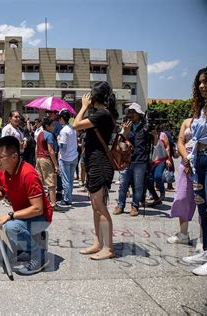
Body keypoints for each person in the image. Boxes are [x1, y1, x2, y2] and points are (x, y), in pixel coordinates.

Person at [0, 136, 53, 275]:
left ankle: (39, 257)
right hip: (23, 217)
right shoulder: (2, 173)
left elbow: (38, 208)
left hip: (41, 217)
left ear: (14, 157)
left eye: (1, 156)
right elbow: (2, 194)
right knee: (1, 258)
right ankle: (33, 241)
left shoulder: (28, 174)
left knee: (11, 226)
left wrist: (10, 216)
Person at [73, 81, 117, 260]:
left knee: (100, 206)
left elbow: (76, 124)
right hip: (93, 161)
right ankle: (98, 242)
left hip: (100, 163)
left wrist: (83, 107)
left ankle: (109, 248)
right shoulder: (101, 114)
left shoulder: (102, 114)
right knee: (95, 206)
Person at [182, 65, 207, 276]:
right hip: (199, 160)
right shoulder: (203, 109)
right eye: (200, 82)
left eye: (206, 82)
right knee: (202, 209)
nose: (202, 86)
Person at [114, 103, 156, 216]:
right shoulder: (127, 125)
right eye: (130, 112)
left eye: (133, 112)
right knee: (123, 184)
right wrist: (125, 131)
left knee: (138, 186)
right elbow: (119, 141)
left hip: (140, 160)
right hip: (126, 160)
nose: (131, 114)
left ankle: (135, 206)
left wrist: (155, 135)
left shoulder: (145, 127)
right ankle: (120, 205)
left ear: (139, 114)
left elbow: (154, 144)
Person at [167, 117, 196, 244]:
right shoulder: (186, 121)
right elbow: (180, 142)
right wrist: (186, 159)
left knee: (205, 201)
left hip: (204, 159)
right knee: (182, 197)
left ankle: (203, 238)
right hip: (186, 162)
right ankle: (183, 233)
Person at [57, 109, 78, 206]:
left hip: (66, 158)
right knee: (70, 179)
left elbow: (63, 147)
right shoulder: (73, 128)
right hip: (74, 156)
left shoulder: (63, 131)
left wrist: (58, 140)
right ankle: (69, 197)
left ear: (62, 118)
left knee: (65, 179)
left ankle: (67, 199)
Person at [35, 118, 58, 207]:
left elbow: (36, 148)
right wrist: (56, 165)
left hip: (39, 159)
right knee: (51, 183)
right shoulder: (49, 135)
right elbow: (51, 150)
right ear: (47, 126)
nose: (54, 127)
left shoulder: (40, 134)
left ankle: (41, 202)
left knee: (40, 182)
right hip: (46, 159)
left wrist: (36, 160)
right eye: (52, 125)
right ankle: (53, 204)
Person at [146, 127, 171, 206]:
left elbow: (167, 147)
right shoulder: (146, 135)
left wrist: (168, 159)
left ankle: (162, 192)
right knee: (149, 180)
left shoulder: (163, 135)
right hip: (150, 161)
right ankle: (153, 196)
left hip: (161, 159)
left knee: (157, 176)